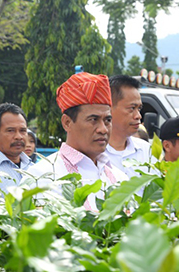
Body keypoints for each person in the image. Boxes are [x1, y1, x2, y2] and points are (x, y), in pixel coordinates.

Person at [27, 72, 127, 210]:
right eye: (93, 120)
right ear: (67, 122)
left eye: (107, 120)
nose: (103, 129)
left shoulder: (119, 178)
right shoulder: (42, 177)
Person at [105, 75, 151, 177]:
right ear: (109, 108)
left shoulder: (145, 150)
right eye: (132, 108)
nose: (138, 116)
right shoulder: (94, 154)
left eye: (139, 109)